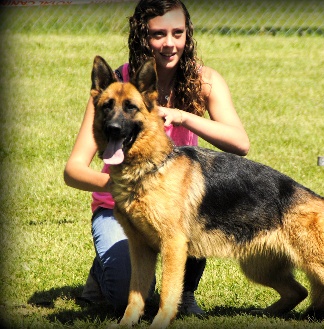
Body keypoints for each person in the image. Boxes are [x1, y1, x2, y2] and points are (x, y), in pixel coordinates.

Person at [63, 0, 250, 317]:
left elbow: (240, 143)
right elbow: (73, 170)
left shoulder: (204, 81)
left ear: (187, 35)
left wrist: (182, 116)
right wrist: (123, 187)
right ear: (141, 37)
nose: (169, 43)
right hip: (119, 206)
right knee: (125, 295)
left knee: (191, 202)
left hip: (177, 205)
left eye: (178, 33)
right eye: (158, 34)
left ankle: (184, 294)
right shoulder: (114, 90)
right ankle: (106, 268)